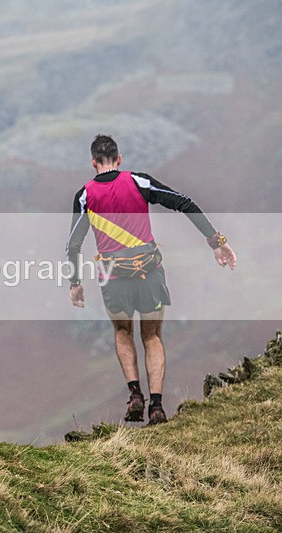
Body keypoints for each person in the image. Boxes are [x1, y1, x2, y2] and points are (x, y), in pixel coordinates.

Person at [65, 134, 237, 425]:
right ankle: (156, 406)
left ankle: (135, 394)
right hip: (148, 269)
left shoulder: (85, 196)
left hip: (112, 275)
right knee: (152, 335)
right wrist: (216, 241)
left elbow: (73, 244)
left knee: (122, 332)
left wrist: (75, 282)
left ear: (93, 162)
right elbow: (184, 203)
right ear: (119, 160)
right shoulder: (138, 182)